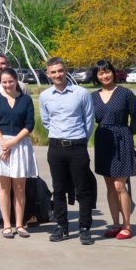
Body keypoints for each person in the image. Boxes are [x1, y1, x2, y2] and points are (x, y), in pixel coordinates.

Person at [40, 57, 96, 245]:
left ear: (66, 71)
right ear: (48, 74)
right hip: (56, 148)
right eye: (53, 72)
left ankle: (84, 227)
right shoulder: (45, 96)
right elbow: (47, 121)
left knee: (83, 189)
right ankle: (62, 226)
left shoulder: (81, 93)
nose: (57, 75)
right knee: (59, 189)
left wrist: (80, 140)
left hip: (77, 147)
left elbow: (89, 121)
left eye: (60, 71)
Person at [0, 68, 38, 238]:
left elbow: (29, 124)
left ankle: (20, 224)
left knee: (19, 187)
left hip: (20, 144)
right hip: (0, 143)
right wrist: (4, 144)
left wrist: (13, 143)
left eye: (11, 81)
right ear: (0, 82)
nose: (8, 85)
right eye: (4, 82)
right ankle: (7, 224)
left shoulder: (26, 100)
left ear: (16, 80)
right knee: (4, 187)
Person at [90, 60, 136, 240]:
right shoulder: (93, 97)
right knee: (110, 185)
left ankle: (127, 225)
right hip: (103, 140)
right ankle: (115, 224)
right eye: (100, 73)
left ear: (113, 72)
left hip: (122, 139)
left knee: (120, 185)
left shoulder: (125, 93)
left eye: (107, 71)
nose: (105, 75)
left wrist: (127, 136)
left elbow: (135, 119)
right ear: (96, 76)